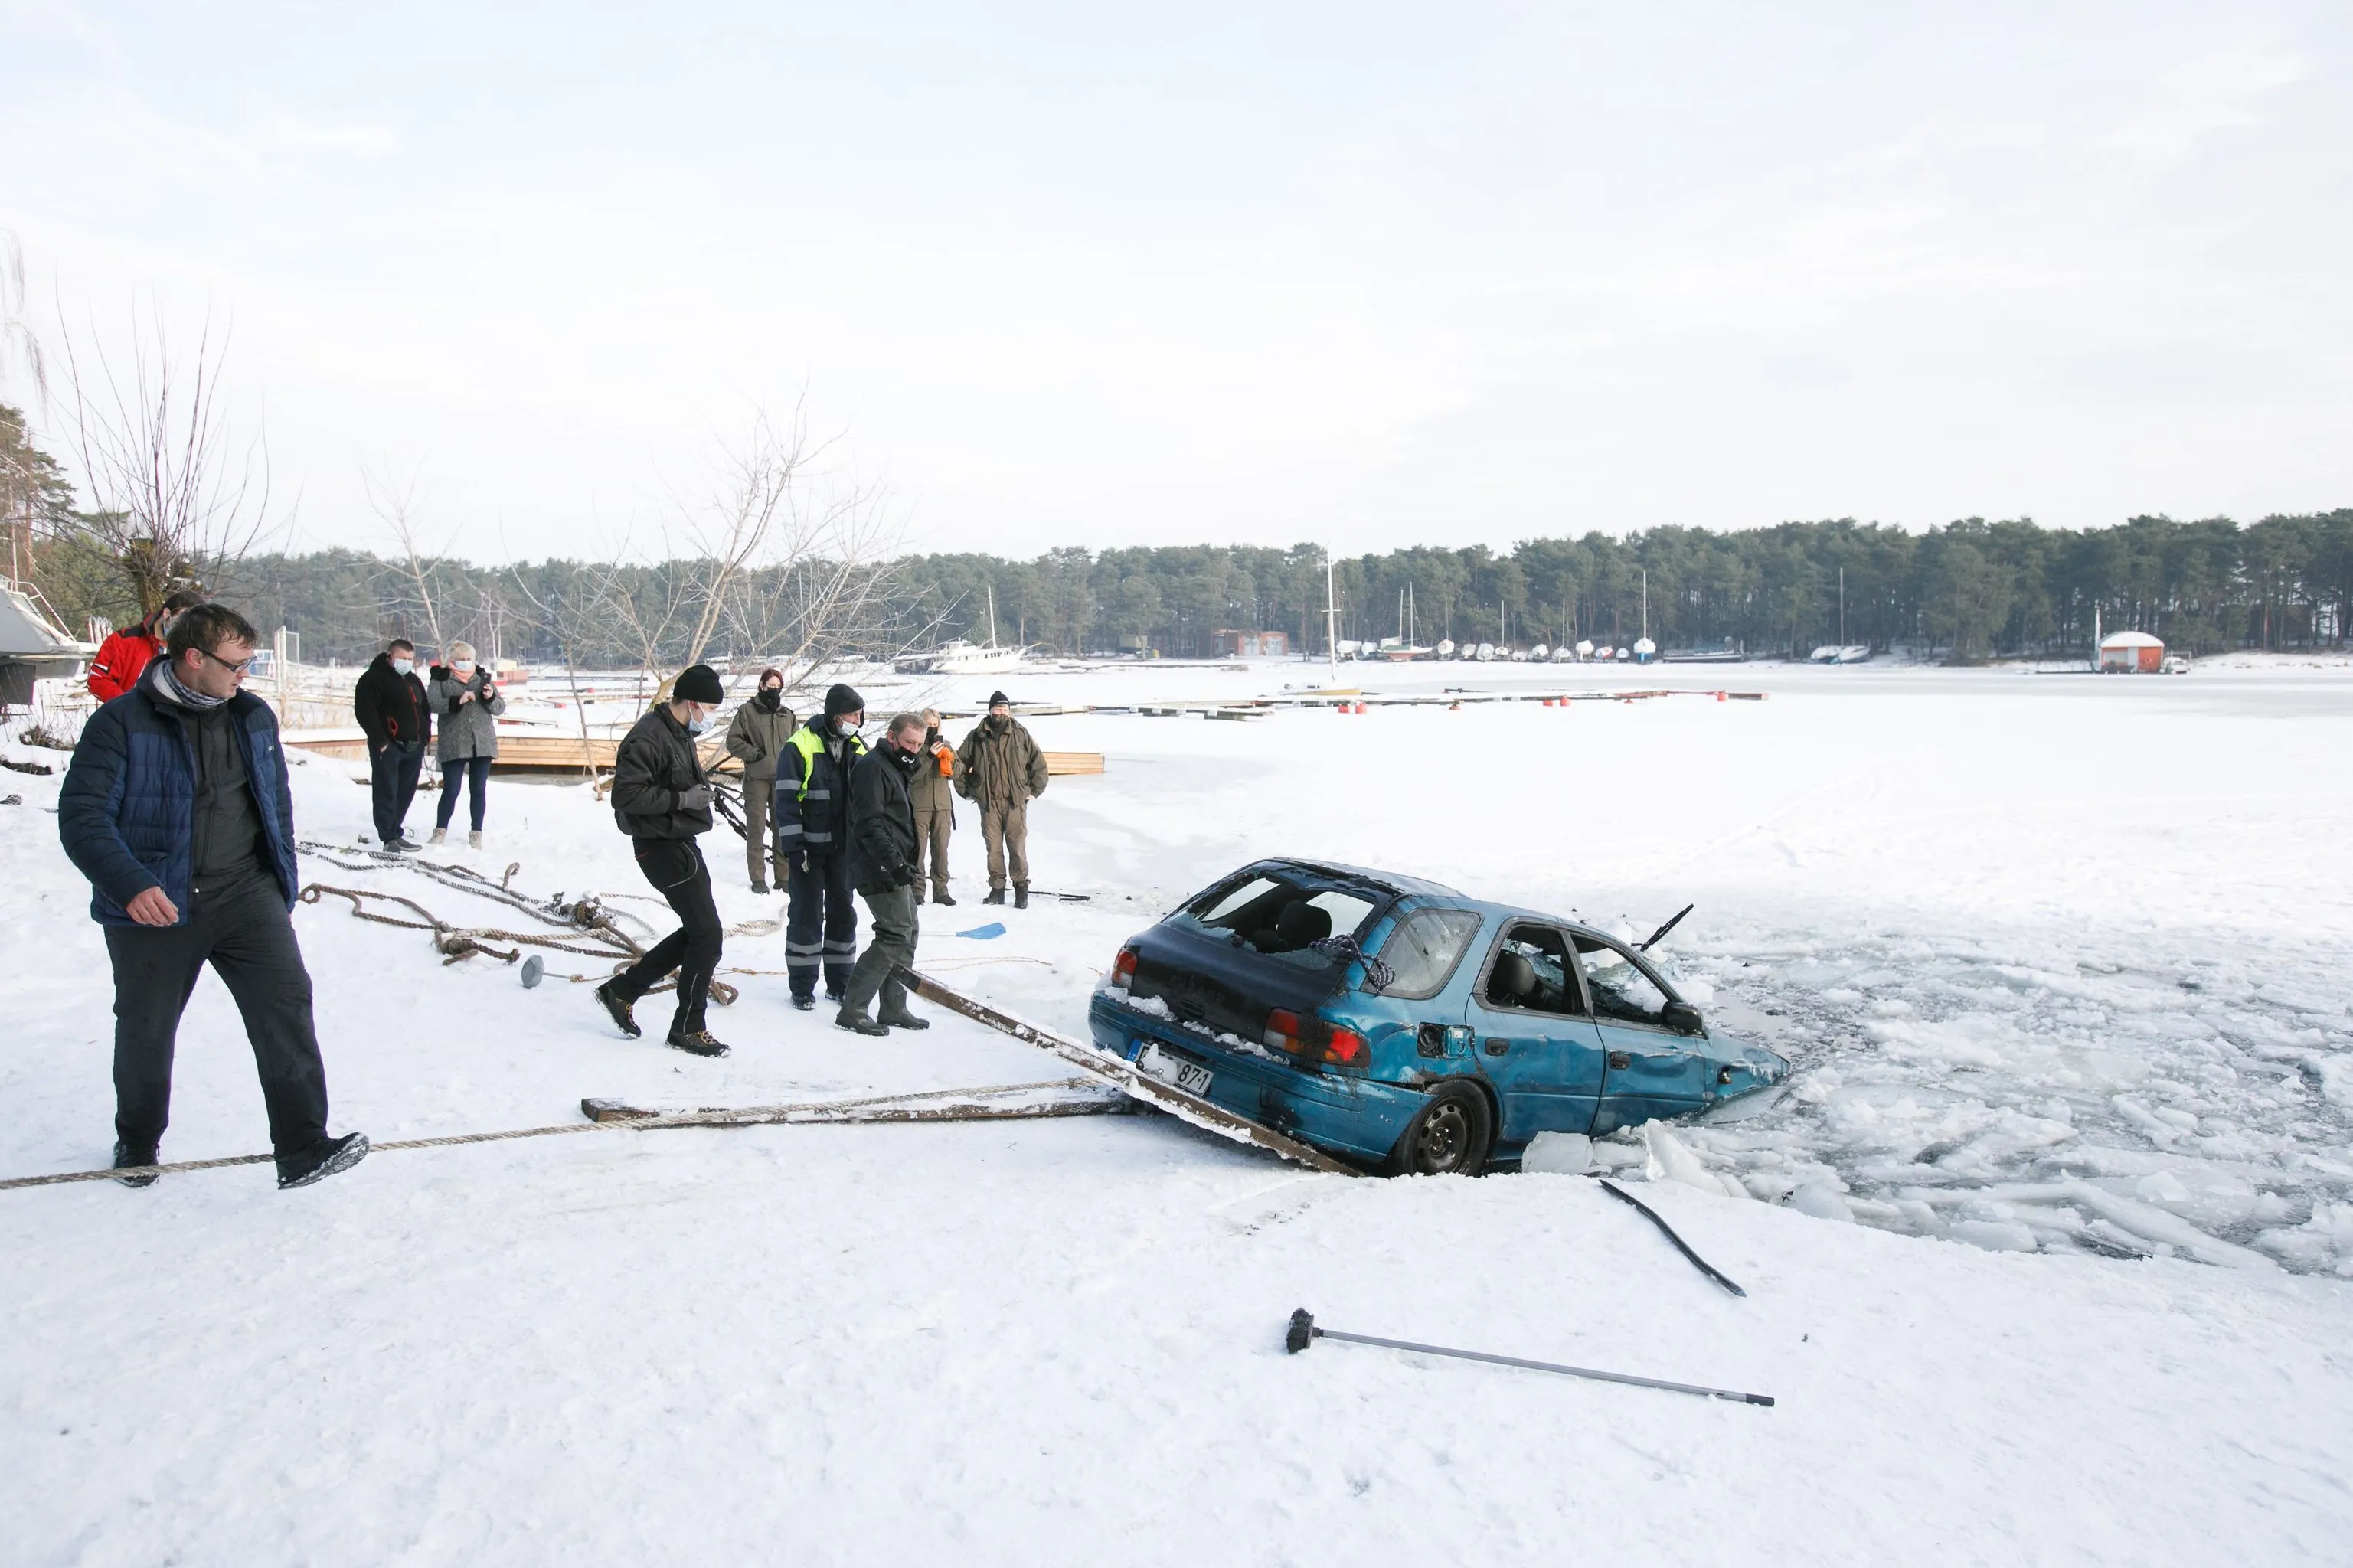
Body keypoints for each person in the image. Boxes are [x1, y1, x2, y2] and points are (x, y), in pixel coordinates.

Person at [57, 602, 369, 1190]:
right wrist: (130, 884)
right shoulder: (121, 724)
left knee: (287, 1005)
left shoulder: (252, 716)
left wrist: (279, 882)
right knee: (146, 1029)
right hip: (156, 906)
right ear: (193, 658)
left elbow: (275, 805)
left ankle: (302, 1147)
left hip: (245, 895)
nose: (243, 677)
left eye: (249, 664)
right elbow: (81, 819)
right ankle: (139, 1139)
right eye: (235, 664)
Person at [593, 662, 730, 1057]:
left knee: (698, 931)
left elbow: (673, 778)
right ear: (691, 702)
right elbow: (626, 796)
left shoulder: (677, 732)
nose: (712, 716)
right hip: (661, 846)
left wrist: (698, 794)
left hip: (679, 840)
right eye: (710, 707)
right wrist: (682, 800)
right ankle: (688, 1028)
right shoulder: (648, 737)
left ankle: (622, 991)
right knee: (707, 935)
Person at [773, 683, 867, 1010]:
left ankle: (840, 983)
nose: (857, 719)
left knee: (844, 915)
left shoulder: (859, 748)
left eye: (859, 714)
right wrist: (794, 847)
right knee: (806, 915)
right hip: (808, 853)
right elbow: (785, 802)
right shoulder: (799, 745)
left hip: (844, 853)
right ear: (834, 714)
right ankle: (802, 986)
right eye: (851, 714)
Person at [838, 712, 931, 1035]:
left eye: (919, 744)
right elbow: (869, 824)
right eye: (909, 742)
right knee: (894, 933)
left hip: (896, 865)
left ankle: (893, 1006)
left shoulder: (897, 767)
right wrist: (893, 863)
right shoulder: (873, 767)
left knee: (909, 932)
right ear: (892, 737)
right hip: (876, 865)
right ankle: (854, 1010)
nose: (915, 749)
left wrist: (904, 864)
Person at [956, 689, 1049, 908]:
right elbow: (958, 765)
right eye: (998, 708)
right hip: (989, 803)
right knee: (994, 848)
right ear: (990, 710)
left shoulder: (1020, 734)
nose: (1002, 712)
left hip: (1014, 802)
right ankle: (997, 890)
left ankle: (1021, 889)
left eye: (1006, 709)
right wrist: (968, 791)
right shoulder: (976, 736)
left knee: (1017, 848)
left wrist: (1034, 791)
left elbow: (1039, 765)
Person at [723, 668, 797, 893]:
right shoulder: (747, 712)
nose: (773, 690)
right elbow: (733, 741)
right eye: (770, 686)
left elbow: (797, 744)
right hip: (757, 778)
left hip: (783, 779)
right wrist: (754, 754)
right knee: (756, 828)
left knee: (782, 828)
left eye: (777, 686)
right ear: (762, 686)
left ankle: (783, 877)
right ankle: (757, 878)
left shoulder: (787, 715)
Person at [353, 639, 431, 851]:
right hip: (388, 746)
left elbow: (424, 709)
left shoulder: (413, 680)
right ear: (390, 657)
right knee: (387, 790)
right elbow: (365, 712)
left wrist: (425, 736)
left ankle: (396, 830)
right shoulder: (373, 678)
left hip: (414, 746)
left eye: (410, 659)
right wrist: (380, 741)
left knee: (406, 791)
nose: (406, 662)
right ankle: (388, 837)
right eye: (402, 658)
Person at [426, 640, 506, 848]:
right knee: (451, 789)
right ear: (451, 660)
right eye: (460, 660)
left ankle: (476, 832)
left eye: (468, 659)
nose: (465, 663)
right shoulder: (441, 679)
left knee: (478, 788)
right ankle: (440, 830)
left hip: (482, 741)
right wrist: (457, 701)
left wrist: (489, 698)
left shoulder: (483, 678)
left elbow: (500, 707)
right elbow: (432, 704)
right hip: (454, 741)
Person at [86, 590, 204, 702]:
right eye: (182, 622)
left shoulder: (192, 652)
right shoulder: (124, 640)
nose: (185, 630)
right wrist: (126, 705)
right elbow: (97, 679)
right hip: (128, 718)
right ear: (167, 614)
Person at [907, 707, 960, 906]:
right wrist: (928, 756)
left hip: (942, 806)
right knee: (918, 851)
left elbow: (957, 773)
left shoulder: (946, 745)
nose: (931, 728)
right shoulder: (914, 746)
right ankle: (917, 890)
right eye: (928, 724)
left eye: (934, 724)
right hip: (919, 806)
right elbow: (911, 774)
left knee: (941, 851)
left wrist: (950, 760)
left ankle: (941, 890)